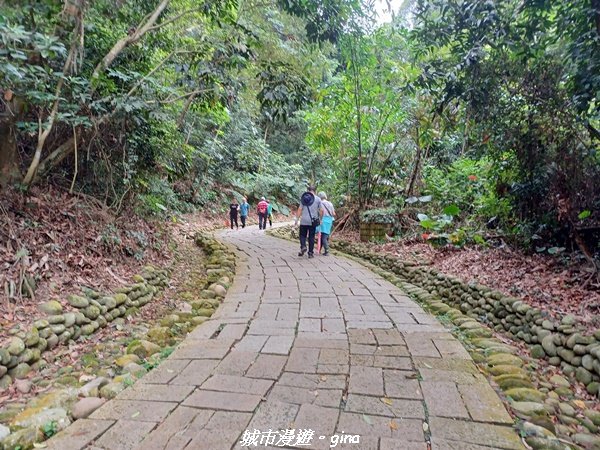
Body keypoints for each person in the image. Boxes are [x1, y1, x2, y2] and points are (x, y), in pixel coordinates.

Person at [295, 185, 322, 258]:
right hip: (313, 221)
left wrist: (296, 219)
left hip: (304, 220)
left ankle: (303, 246)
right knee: (311, 237)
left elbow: (300, 209)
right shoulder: (318, 199)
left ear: (308, 190)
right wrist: (321, 219)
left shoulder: (304, 198)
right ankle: (310, 253)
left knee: (302, 235)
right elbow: (321, 210)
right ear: (315, 191)